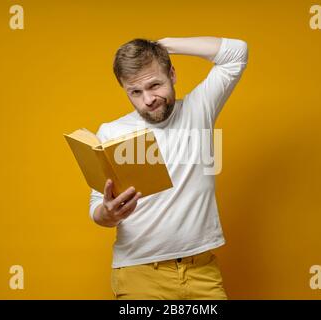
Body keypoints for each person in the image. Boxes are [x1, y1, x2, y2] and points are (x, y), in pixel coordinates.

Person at [89, 36, 248, 299]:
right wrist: (107, 214)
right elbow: (96, 205)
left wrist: (162, 46)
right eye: (135, 92)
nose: (148, 99)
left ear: (172, 74)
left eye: (155, 84)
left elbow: (237, 53)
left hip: (202, 272)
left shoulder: (199, 109)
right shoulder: (111, 132)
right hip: (139, 273)